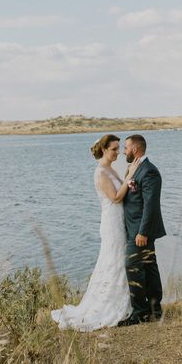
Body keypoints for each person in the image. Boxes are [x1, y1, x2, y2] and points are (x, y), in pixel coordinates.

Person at [51, 134, 140, 331]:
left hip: (119, 220)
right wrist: (130, 177)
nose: (118, 152)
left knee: (119, 260)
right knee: (114, 260)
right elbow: (116, 197)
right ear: (103, 150)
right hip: (111, 222)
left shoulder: (110, 169)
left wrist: (128, 178)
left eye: (119, 148)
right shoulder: (100, 172)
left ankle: (127, 303)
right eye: (114, 149)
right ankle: (110, 306)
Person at [118, 134, 166, 326]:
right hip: (133, 229)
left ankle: (139, 313)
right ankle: (155, 310)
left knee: (133, 266)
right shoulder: (134, 168)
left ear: (135, 149)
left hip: (140, 231)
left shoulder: (149, 172)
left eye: (126, 147)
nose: (123, 151)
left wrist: (143, 232)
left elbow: (150, 206)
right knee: (148, 266)